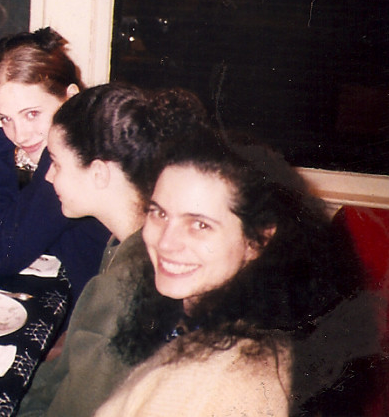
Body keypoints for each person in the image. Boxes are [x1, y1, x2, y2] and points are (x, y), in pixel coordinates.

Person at [92, 128, 372, 417]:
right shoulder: (201, 320)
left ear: (259, 239)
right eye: (159, 213)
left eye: (200, 225)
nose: (165, 242)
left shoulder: (229, 375)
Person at [17, 83, 209, 417]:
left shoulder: (124, 286)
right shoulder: (127, 244)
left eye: (58, 164)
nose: (48, 176)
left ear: (99, 173)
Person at [0, 28, 109, 305]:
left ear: (70, 97)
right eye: (5, 119)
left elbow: (1, 255)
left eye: (32, 114)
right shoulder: (90, 133)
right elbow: (26, 221)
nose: (19, 135)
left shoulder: (76, 157)